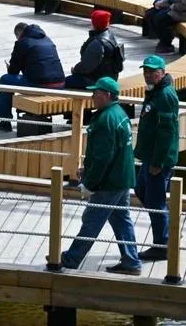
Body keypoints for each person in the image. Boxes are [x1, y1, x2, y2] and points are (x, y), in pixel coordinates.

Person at [59, 77, 142, 274]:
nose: (92, 96)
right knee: (121, 219)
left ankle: (71, 259)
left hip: (109, 181)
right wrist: (88, 170)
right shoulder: (119, 113)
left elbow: (102, 157)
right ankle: (131, 261)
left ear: (107, 95)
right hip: (122, 178)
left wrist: (90, 183)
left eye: (96, 93)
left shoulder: (105, 120)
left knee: (92, 219)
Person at [133, 54, 179, 261]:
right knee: (141, 190)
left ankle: (163, 245)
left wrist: (158, 162)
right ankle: (168, 232)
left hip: (158, 160)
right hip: (150, 156)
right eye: (146, 71)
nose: (148, 75)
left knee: (155, 201)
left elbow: (167, 133)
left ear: (163, 72)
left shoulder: (165, 95)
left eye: (153, 72)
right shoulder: (155, 91)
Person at [0, 22, 65, 131]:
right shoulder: (47, 39)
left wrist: (10, 67)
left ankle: (5, 121)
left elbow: (13, 71)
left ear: (19, 34)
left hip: (41, 85)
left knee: (5, 79)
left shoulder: (23, 42)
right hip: (60, 84)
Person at [65, 10, 122, 89]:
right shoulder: (110, 37)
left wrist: (75, 70)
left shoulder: (97, 43)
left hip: (96, 81)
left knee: (63, 82)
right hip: (110, 78)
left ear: (93, 23)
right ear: (108, 23)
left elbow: (86, 66)